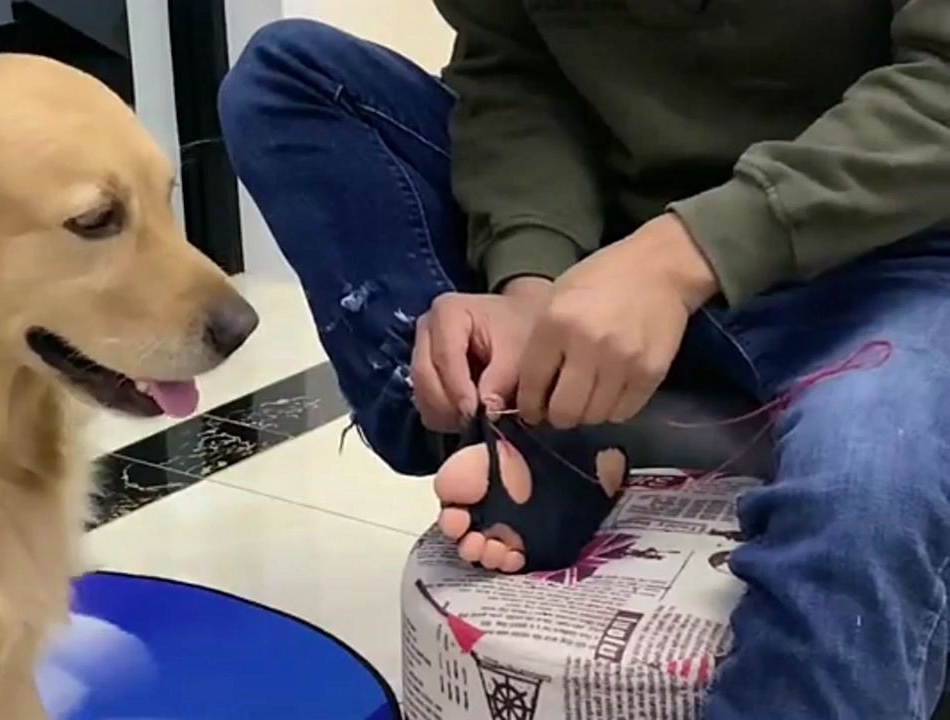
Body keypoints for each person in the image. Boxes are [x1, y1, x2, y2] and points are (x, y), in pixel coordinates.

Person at [217, 2, 950, 718]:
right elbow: (516, 69)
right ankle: (538, 418)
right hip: (610, 249)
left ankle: (666, 426)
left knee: (869, 496)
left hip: (885, 248)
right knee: (288, 76)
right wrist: (531, 284)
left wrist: (684, 255)